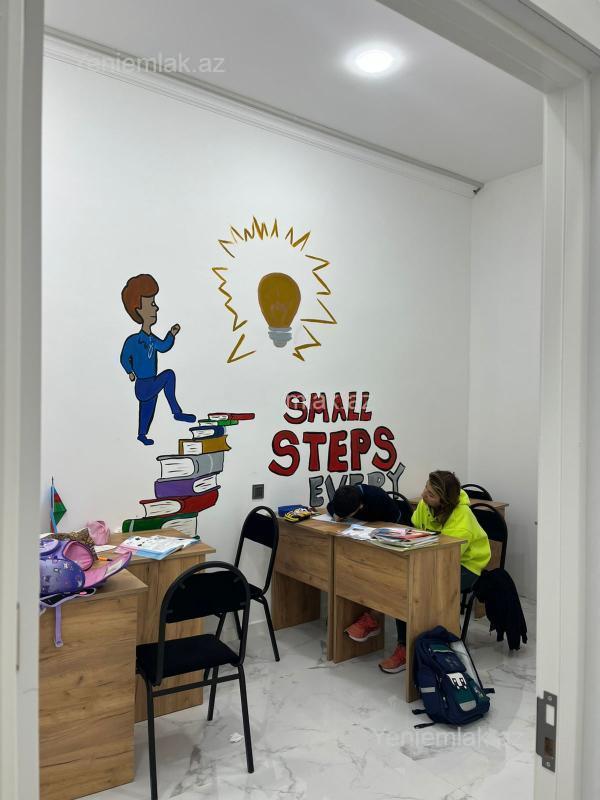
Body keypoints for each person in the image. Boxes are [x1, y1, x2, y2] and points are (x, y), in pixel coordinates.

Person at [345, 470, 491, 675]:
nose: (424, 495)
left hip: (465, 565)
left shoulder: (462, 519)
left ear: (444, 501)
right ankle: (375, 618)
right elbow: (416, 529)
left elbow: (447, 557)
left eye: (431, 494)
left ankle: (405, 648)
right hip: (431, 556)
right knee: (392, 576)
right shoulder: (425, 505)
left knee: (409, 587)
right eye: (426, 489)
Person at [120, 274, 196, 445]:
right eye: (152, 304)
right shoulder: (133, 341)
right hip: (143, 385)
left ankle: (142, 435)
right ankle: (176, 413)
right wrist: (129, 371)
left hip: (151, 382)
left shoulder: (152, 339)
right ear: (138, 309)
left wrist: (171, 334)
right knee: (168, 375)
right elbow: (124, 357)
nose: (156, 308)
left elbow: (163, 346)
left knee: (147, 410)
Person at [326, 483, 402, 524]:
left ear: (360, 506)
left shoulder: (377, 497)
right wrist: (335, 514)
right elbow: (330, 505)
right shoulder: (346, 494)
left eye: (347, 515)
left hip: (391, 523)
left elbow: (392, 521)